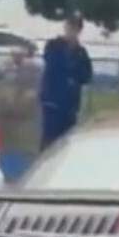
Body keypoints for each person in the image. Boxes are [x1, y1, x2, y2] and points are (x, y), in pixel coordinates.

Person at [40, 14, 93, 147]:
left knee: (66, 140)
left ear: (79, 31)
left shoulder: (81, 52)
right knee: (50, 139)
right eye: (70, 27)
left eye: (75, 29)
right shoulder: (54, 46)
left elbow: (87, 75)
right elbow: (52, 66)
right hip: (52, 100)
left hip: (70, 104)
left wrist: (74, 78)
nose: (71, 31)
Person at [0, 45, 43, 183]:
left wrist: (10, 103)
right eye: (14, 54)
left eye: (19, 55)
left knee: (22, 176)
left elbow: (24, 106)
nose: (16, 58)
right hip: (6, 138)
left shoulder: (32, 76)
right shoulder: (6, 75)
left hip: (23, 141)